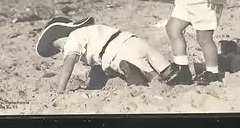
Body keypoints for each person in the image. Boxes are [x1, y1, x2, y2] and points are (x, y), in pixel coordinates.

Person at [35, 16, 180, 93]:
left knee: (152, 80)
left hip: (117, 54)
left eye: (59, 48)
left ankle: (136, 74)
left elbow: (68, 64)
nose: (62, 51)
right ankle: (196, 68)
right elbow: (96, 71)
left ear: (60, 36)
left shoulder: (72, 38)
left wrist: (61, 89)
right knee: (172, 72)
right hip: (133, 41)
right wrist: (91, 84)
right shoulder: (91, 31)